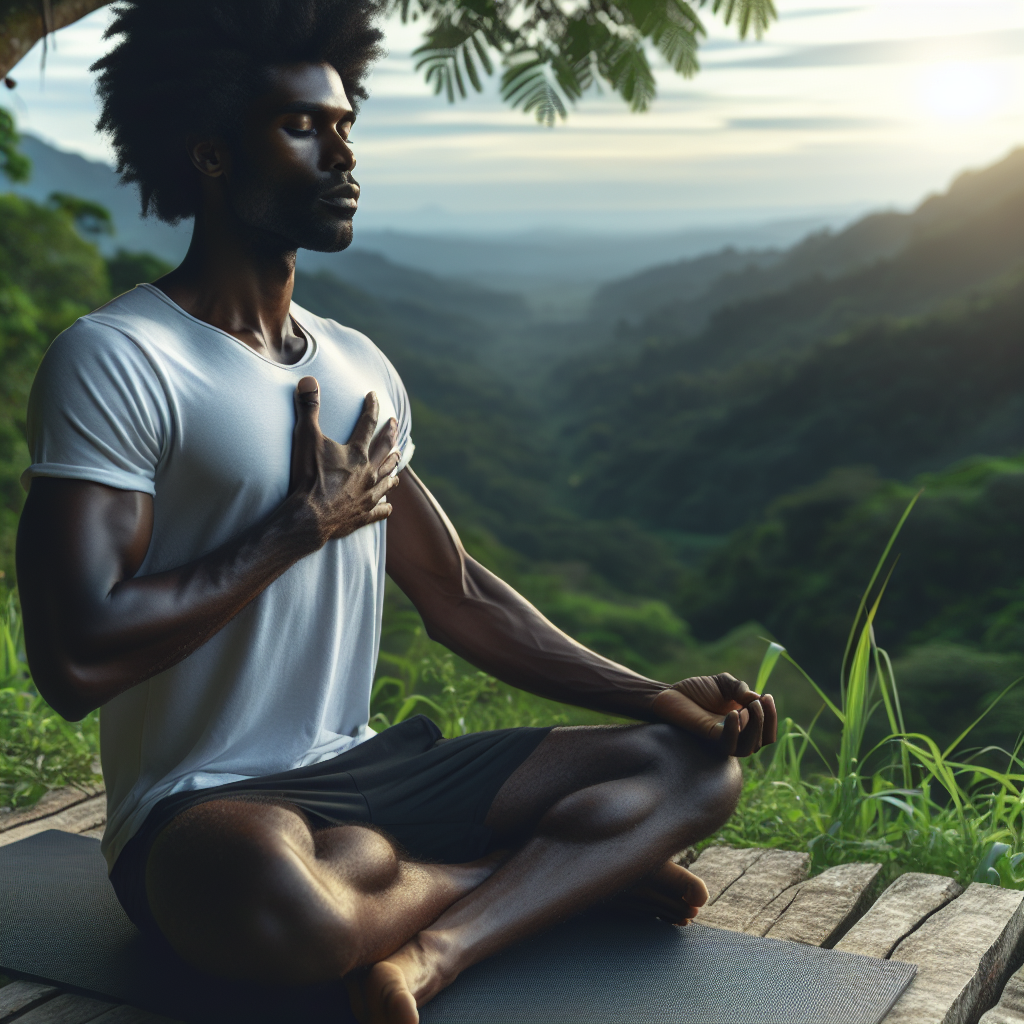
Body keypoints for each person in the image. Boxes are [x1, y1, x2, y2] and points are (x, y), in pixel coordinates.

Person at [15, 2, 777, 1021]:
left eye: (345, 127)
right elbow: (75, 661)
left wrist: (651, 696)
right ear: (208, 155)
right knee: (283, 912)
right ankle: (545, 878)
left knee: (692, 770)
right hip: (206, 811)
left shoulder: (355, 363)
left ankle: (432, 954)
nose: (341, 154)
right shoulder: (118, 358)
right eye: (303, 128)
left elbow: (456, 593)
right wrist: (293, 530)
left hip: (373, 771)